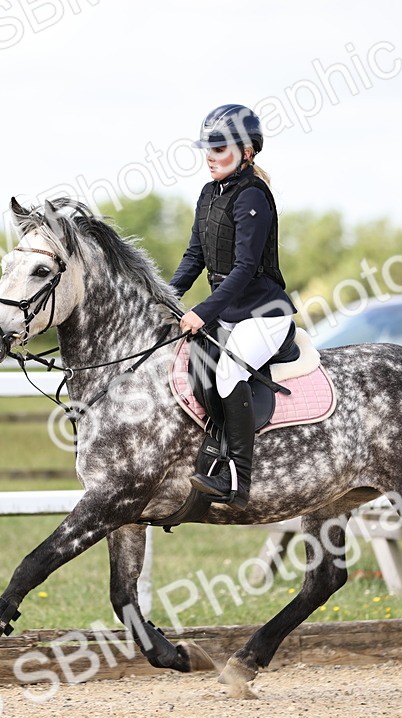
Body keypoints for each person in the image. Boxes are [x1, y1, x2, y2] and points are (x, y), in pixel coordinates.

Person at [169, 104, 298, 510]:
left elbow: (244, 269)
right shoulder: (209, 193)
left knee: (226, 372)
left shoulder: (253, 196)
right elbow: (194, 257)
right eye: (207, 148)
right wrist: (167, 298)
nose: (210, 156)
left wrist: (201, 312)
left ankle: (237, 480)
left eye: (220, 148)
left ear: (247, 152)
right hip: (229, 314)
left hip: (264, 314)